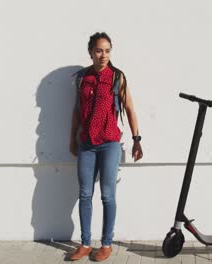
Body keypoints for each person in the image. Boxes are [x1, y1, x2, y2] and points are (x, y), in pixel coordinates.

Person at [68, 32, 143, 261]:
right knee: (84, 194)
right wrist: (72, 139)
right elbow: (77, 111)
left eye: (108, 50)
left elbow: (129, 108)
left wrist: (137, 139)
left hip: (110, 143)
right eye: (99, 50)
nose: (104, 55)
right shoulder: (83, 78)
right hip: (87, 144)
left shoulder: (116, 77)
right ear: (91, 52)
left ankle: (107, 244)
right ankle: (85, 243)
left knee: (108, 196)